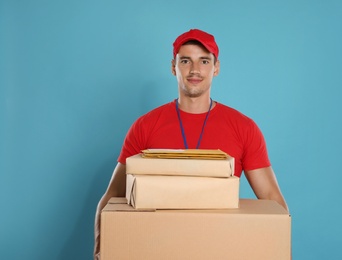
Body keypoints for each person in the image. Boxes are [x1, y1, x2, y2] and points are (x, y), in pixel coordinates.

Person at [94, 29, 289, 259]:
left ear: (216, 68)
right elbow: (112, 197)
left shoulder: (243, 128)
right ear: (173, 67)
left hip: (219, 248)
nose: (195, 70)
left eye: (204, 61)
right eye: (185, 60)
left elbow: (271, 199)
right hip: (158, 248)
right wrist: (100, 246)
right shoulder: (145, 126)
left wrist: (280, 246)